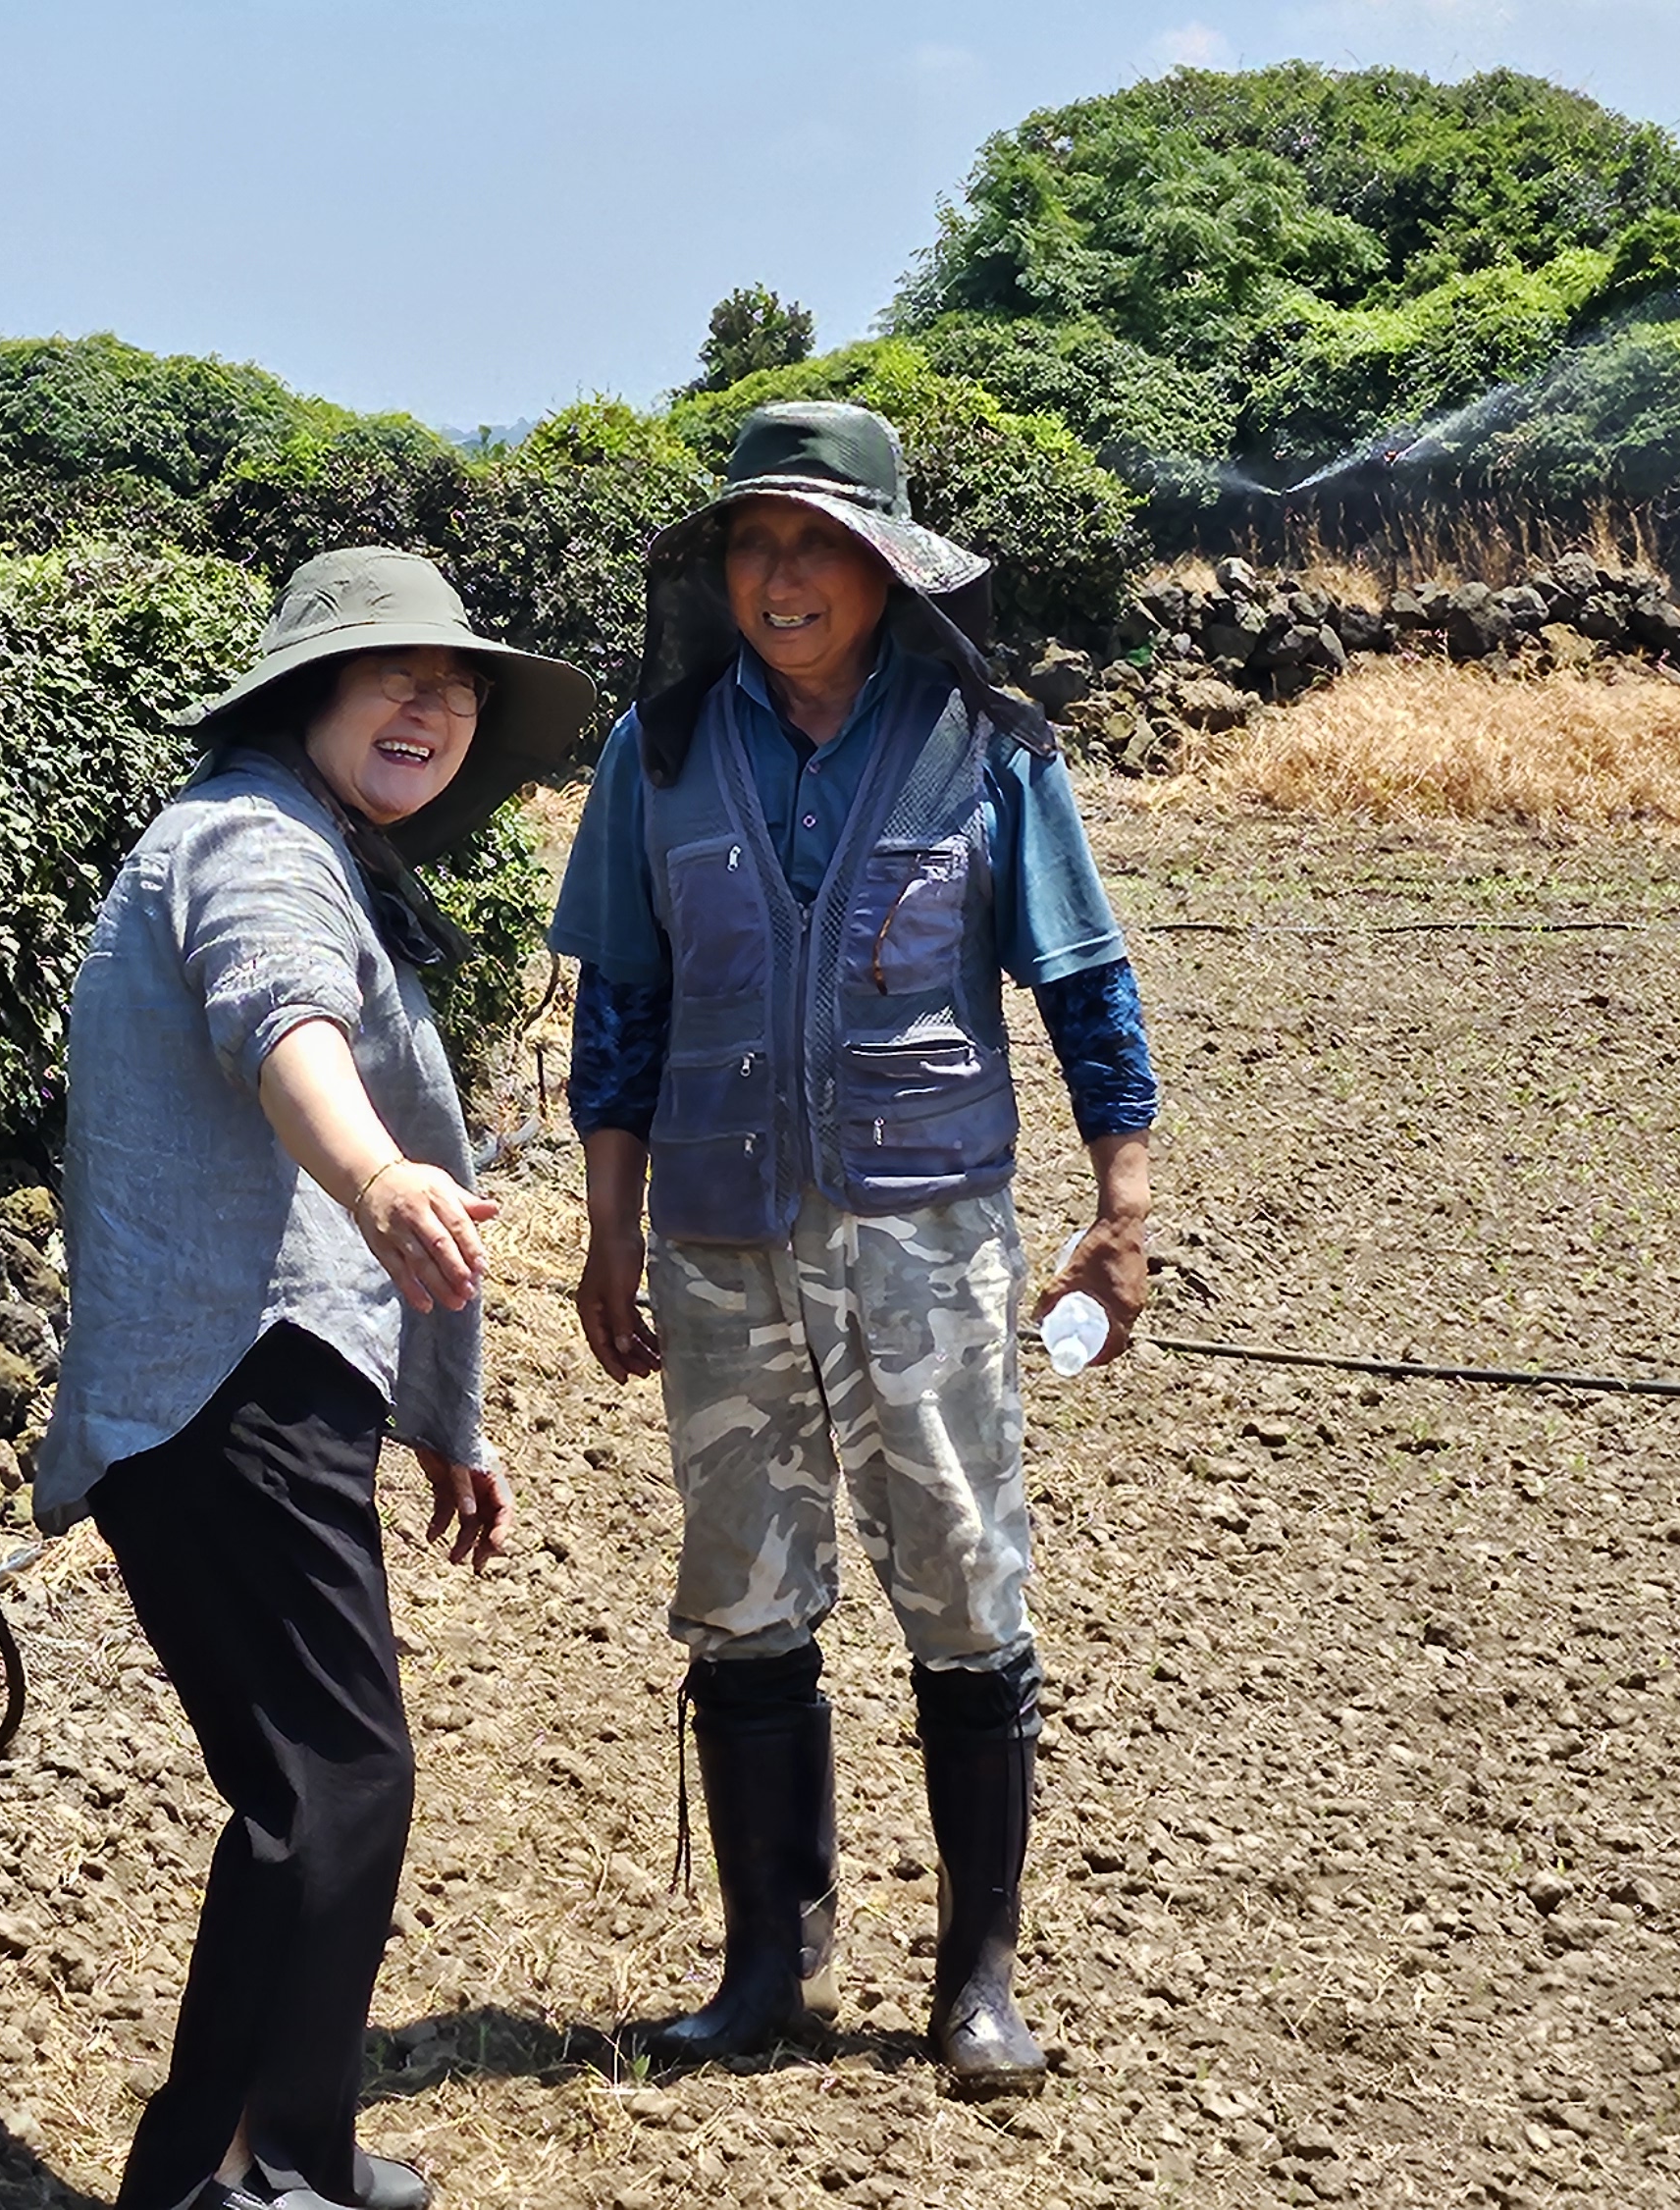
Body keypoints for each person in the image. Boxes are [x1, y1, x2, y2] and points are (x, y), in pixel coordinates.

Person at [549, 401, 1160, 2098]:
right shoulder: (656, 756)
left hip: (926, 1235)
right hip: (721, 1240)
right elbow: (625, 1006)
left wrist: (1124, 1210)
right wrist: (609, 1223)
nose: (782, 577)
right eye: (754, 544)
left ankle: (975, 1979)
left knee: (964, 1588)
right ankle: (769, 1969)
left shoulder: (993, 745)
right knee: (744, 1597)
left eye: (817, 543)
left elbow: (1086, 988)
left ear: (889, 564)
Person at [37, 548, 596, 2210]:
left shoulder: (315, 848)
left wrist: (438, 1414)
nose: (434, 707)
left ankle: (263, 2158)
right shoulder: (253, 842)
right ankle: (241, 2172)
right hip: (227, 1390)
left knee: (313, 1784)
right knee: (331, 1784)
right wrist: (378, 1180)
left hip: (266, 1388)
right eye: (393, 677)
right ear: (307, 698)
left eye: (460, 689)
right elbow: (279, 1019)